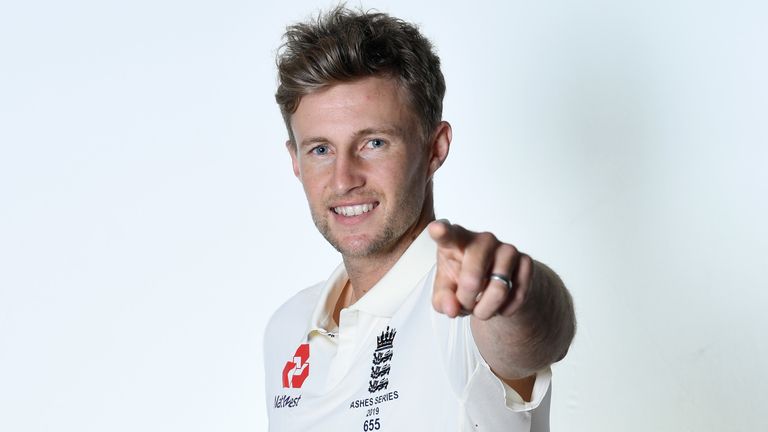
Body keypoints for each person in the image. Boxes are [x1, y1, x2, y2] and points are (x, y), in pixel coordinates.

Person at [264, 6, 576, 431]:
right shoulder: (286, 327)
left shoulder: (462, 307)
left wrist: (515, 290)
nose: (344, 179)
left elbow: (535, 336)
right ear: (296, 162)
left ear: (435, 148)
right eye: (320, 149)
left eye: (373, 142)